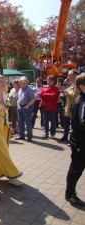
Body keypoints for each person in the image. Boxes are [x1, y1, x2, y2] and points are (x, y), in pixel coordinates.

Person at [65, 73, 85, 207]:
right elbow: (82, 123)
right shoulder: (81, 102)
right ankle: (70, 194)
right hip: (80, 141)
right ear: (82, 86)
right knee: (76, 168)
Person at [60, 69, 80, 141]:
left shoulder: (78, 84)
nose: (68, 77)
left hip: (74, 108)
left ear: (75, 75)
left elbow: (76, 94)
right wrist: (64, 94)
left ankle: (73, 139)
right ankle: (65, 136)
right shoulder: (71, 83)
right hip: (68, 107)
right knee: (66, 123)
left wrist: (67, 92)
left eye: (70, 75)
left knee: (73, 125)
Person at [16, 76, 36, 142]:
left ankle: (29, 137)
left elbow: (33, 99)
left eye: (20, 83)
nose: (19, 84)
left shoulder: (29, 89)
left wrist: (27, 106)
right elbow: (18, 98)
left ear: (24, 83)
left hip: (27, 107)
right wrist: (18, 104)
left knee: (28, 123)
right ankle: (21, 136)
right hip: (20, 107)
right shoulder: (20, 89)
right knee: (20, 122)